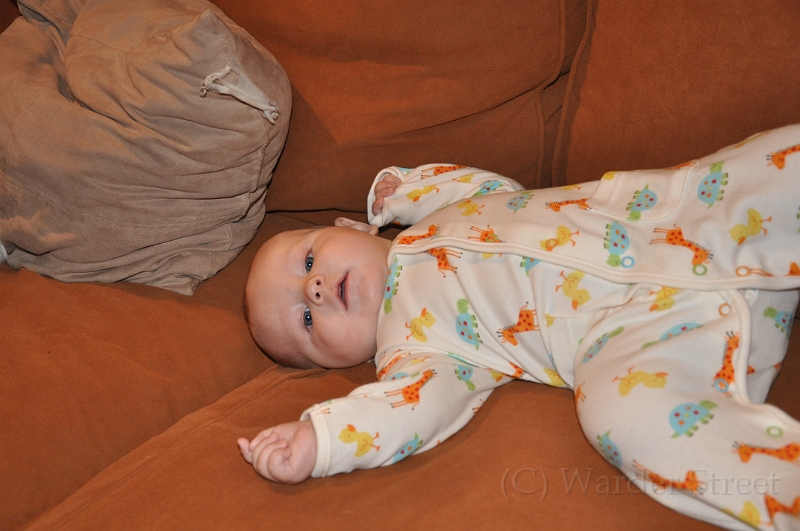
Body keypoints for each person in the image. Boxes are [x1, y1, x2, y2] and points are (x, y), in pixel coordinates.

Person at [240, 124, 800, 531]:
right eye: (305, 321)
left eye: (308, 260)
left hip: (673, 220)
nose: (313, 289)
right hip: (644, 334)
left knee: (762, 169)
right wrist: (323, 440)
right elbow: (409, 412)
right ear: (335, 364)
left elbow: (486, 186)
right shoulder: (412, 351)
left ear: (350, 227)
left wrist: (407, 190)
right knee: (620, 416)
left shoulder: (433, 220)